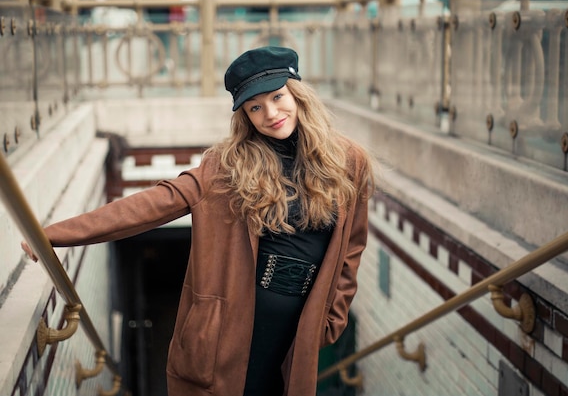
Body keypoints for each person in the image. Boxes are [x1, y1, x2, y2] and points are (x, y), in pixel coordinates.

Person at [22, 46, 374, 396]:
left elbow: (351, 249)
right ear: (245, 116)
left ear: (297, 92)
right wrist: (51, 235)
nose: (270, 113)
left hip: (301, 325)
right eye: (255, 107)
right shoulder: (227, 168)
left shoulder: (348, 161)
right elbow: (150, 205)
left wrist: (334, 315)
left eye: (277, 97)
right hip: (235, 328)